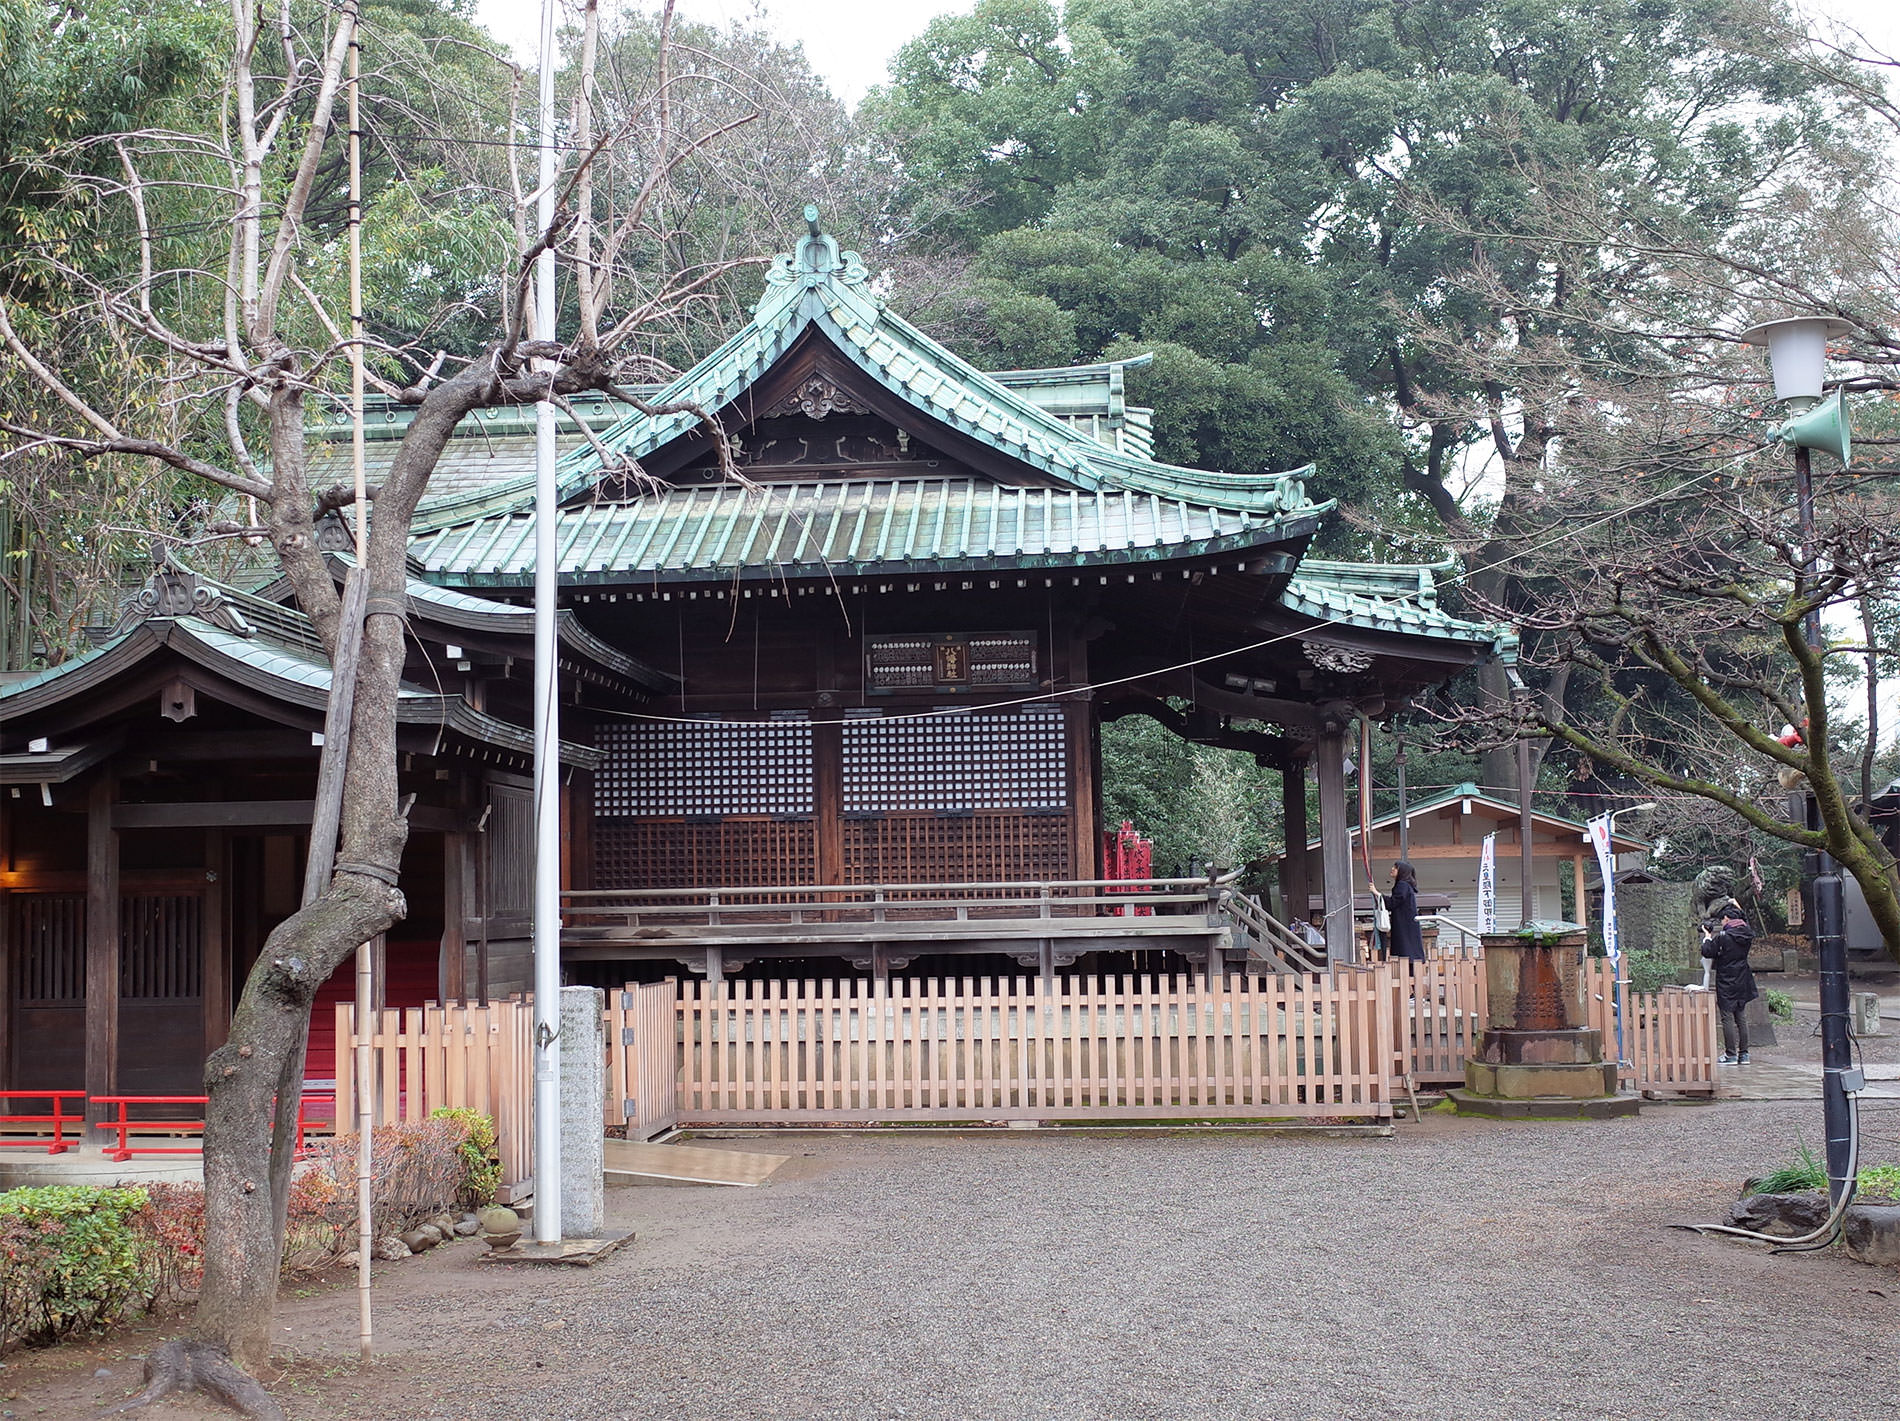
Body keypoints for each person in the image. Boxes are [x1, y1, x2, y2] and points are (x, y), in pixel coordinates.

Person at [1701, 902, 1758, 1064]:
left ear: (1728, 919)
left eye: (1723, 919)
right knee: (1741, 1016)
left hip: (1726, 978)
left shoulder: (1724, 937)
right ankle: (1744, 1054)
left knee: (1727, 1016)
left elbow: (1707, 951)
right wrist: (1736, 904)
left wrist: (1707, 937)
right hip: (1743, 977)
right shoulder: (1747, 933)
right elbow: (1743, 918)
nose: (1722, 922)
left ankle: (1731, 1054)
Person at [1386, 861, 1425, 962]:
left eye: (1396, 867)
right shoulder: (1406, 886)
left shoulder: (1402, 885)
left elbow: (1393, 903)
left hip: (1403, 925)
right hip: (1407, 925)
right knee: (1409, 953)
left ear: (1402, 871)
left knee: (1404, 954)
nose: (1392, 869)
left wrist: (1377, 895)